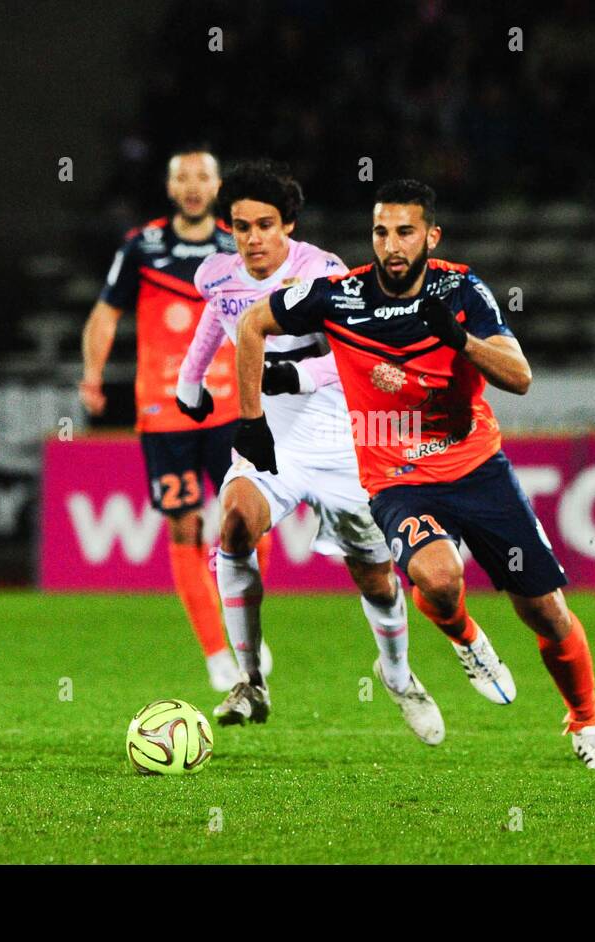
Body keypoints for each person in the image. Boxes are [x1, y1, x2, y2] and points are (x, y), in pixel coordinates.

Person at [231, 179, 595, 769]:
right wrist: (251, 421)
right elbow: (251, 326)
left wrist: (461, 339)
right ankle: (465, 636)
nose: (391, 245)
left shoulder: (462, 290)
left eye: (405, 232)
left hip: (474, 465)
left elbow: (520, 377)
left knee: (545, 609)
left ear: (430, 236)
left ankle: (586, 723)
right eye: (381, 232)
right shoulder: (339, 295)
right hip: (395, 477)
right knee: (438, 579)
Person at [175, 161, 443, 745]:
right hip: (269, 437)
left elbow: (358, 351)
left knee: (373, 574)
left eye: (264, 225)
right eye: (240, 226)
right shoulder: (217, 274)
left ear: (287, 225)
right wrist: (188, 381)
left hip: (338, 434)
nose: (252, 239)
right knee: (236, 524)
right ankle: (249, 680)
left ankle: (397, 677)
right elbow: (214, 322)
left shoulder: (322, 271)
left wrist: (293, 373)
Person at [79, 146, 270, 692]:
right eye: (182, 177)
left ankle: (244, 629)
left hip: (231, 406)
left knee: (248, 519)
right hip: (163, 409)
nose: (191, 185)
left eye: (202, 176)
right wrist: (92, 374)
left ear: (217, 187)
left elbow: (269, 312)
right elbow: (104, 312)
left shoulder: (236, 248)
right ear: (170, 188)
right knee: (185, 525)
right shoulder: (142, 246)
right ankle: (215, 651)